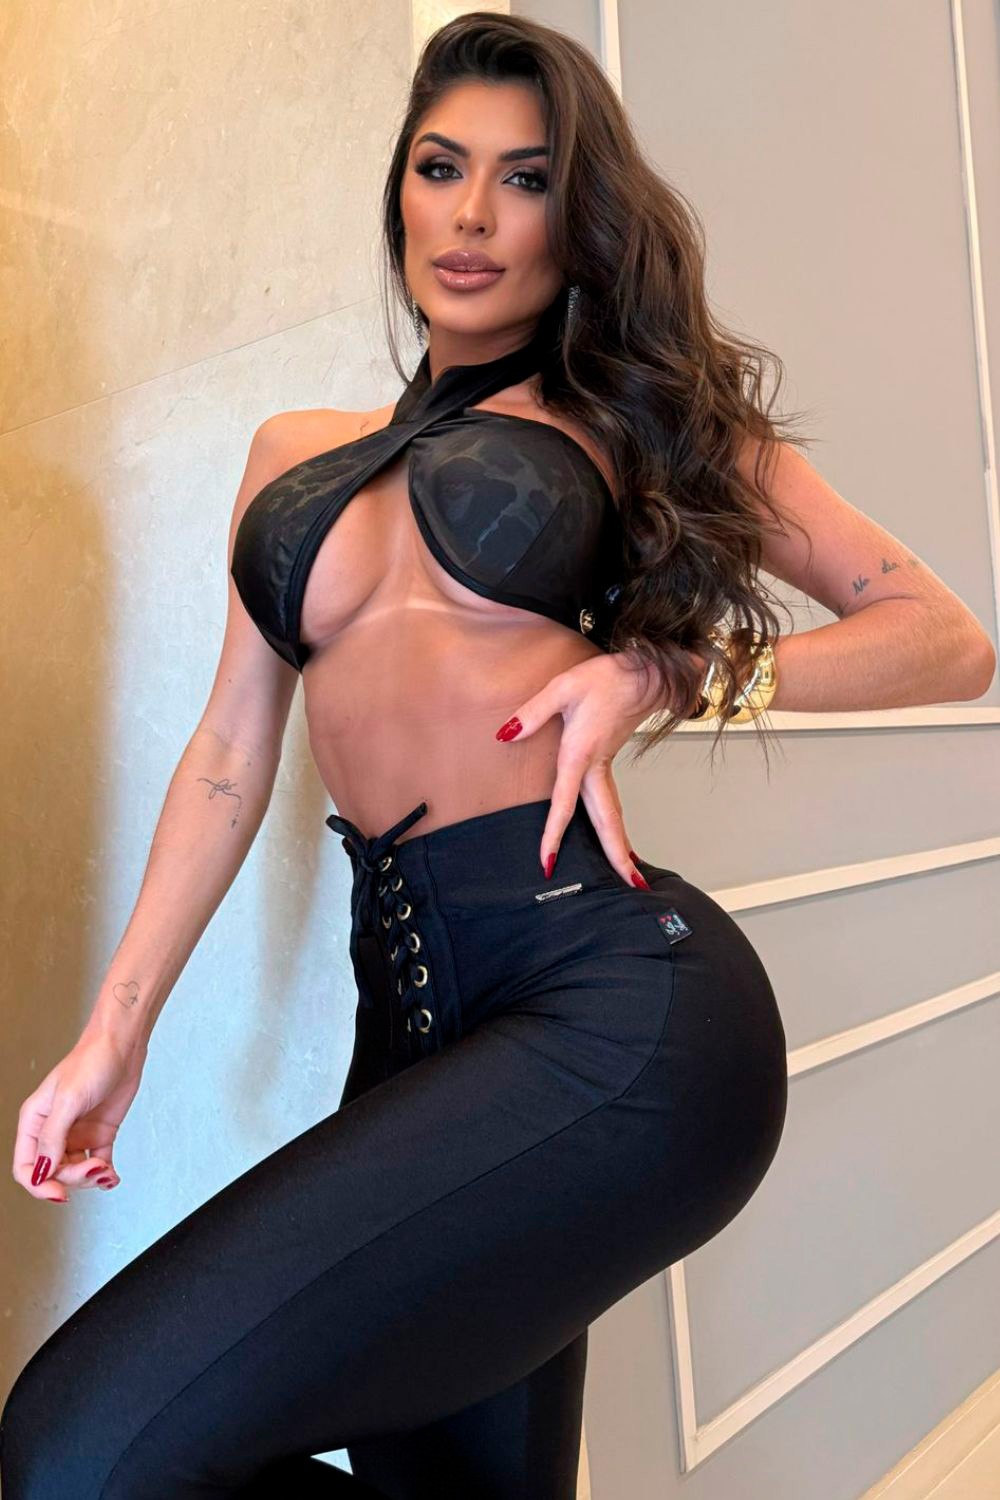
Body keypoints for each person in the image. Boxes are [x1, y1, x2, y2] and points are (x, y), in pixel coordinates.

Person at [2, 12, 994, 1499]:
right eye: (440, 166)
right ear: (399, 191)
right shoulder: (290, 452)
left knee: (79, 1451)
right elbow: (226, 755)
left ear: (572, 216)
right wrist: (117, 1033)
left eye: (523, 179)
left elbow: (944, 638)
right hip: (409, 1025)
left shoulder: (632, 420)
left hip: (612, 997)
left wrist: (672, 671)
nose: (470, 214)